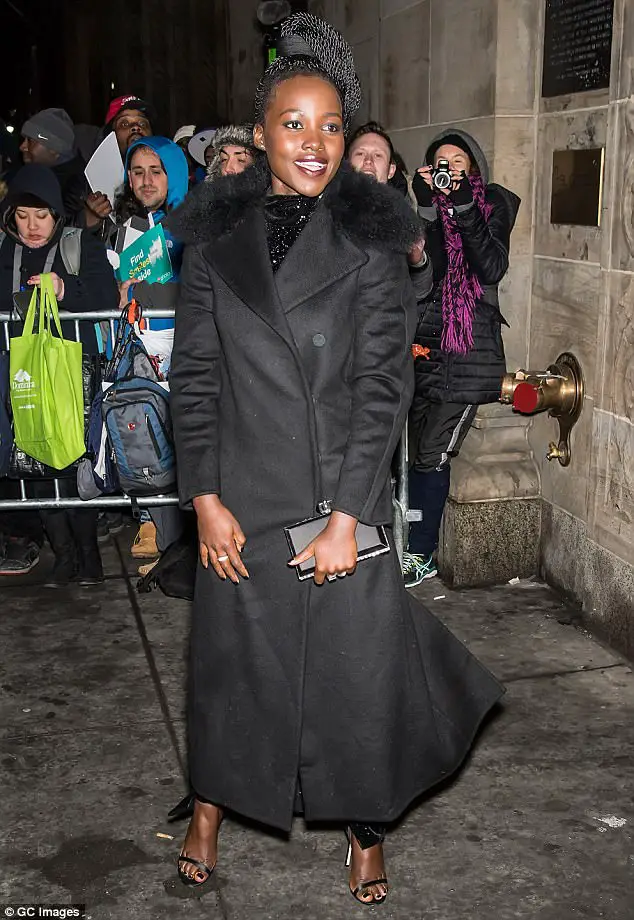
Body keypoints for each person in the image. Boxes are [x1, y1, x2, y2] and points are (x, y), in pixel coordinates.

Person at [166, 12, 503, 906]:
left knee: (356, 679)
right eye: (292, 124)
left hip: (333, 500)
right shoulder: (208, 239)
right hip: (239, 498)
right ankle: (208, 809)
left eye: (328, 126)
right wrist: (202, 496)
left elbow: (385, 387)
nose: (312, 143)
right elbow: (192, 379)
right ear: (261, 133)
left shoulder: (373, 235)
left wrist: (351, 515)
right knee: (233, 673)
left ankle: (363, 828)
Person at [403, 131, 521, 587]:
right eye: (440, 163)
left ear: (473, 168)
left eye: (457, 162)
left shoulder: (493, 203)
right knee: (416, 451)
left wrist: (464, 207)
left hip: (470, 354)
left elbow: (490, 266)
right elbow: (425, 273)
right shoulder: (429, 211)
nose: (449, 169)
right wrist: (428, 207)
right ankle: (410, 536)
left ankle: (421, 551)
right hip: (429, 349)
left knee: (432, 453)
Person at [0, 164, 119, 585]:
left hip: (70, 375)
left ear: (57, 214)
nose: (32, 227)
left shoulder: (77, 245)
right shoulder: (3, 251)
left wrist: (64, 288)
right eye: (22, 215)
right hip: (18, 377)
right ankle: (63, 555)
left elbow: (108, 294)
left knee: (70, 460)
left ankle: (90, 557)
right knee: (30, 463)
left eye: (42, 215)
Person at [112, 136, 189, 564]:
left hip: (189, 345)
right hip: (140, 345)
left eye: (156, 171)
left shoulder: (193, 225)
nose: (145, 181)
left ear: (173, 174)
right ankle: (156, 524)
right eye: (137, 171)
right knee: (148, 433)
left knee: (188, 435)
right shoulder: (118, 229)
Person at [347, 120, 432, 301]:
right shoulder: (324, 210)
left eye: (378, 155)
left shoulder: (403, 218)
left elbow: (420, 291)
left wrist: (417, 261)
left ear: (391, 170)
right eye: (360, 153)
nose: (368, 161)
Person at [84, 95, 155, 229]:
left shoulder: (169, 176)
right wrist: (88, 219)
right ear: (109, 135)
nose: (135, 127)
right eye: (124, 124)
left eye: (143, 123)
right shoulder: (88, 184)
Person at [19, 108, 86, 225]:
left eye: (30, 140)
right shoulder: (31, 176)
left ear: (54, 149)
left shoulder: (74, 188)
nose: (22, 147)